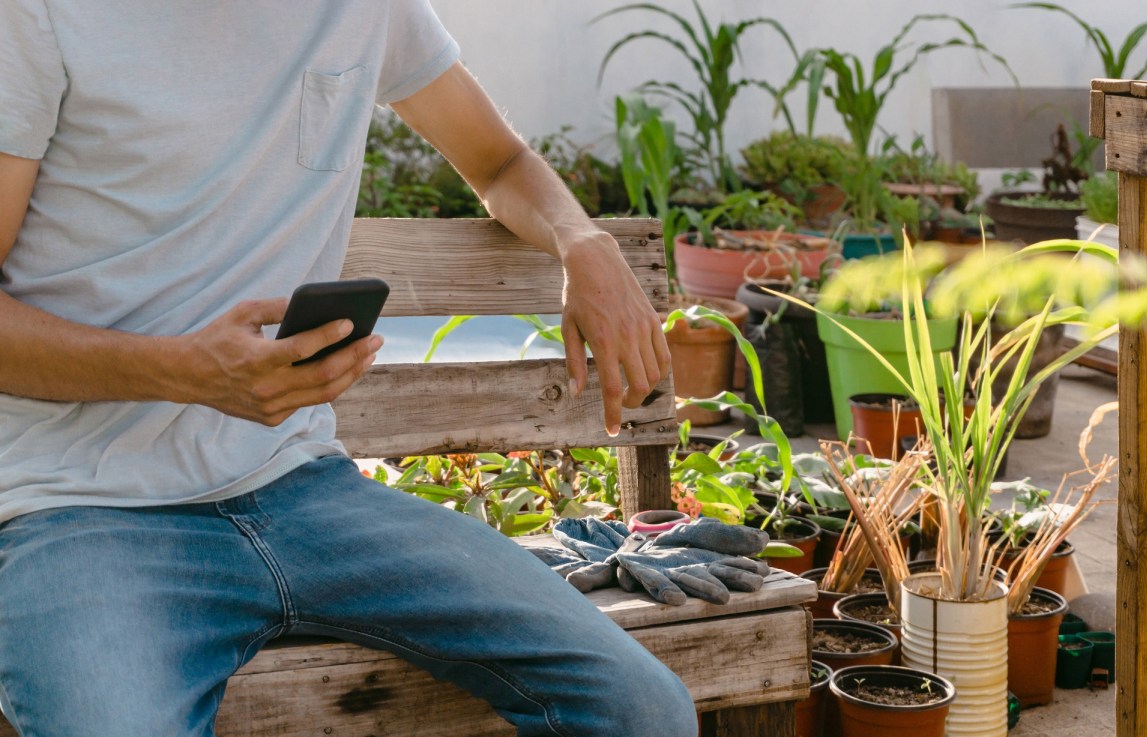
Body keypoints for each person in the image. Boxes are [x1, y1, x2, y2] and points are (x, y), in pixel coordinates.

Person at [0, 2, 697, 735]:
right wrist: (177, 372)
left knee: (642, 710)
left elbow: (498, 161)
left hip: (300, 488)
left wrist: (580, 239)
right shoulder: (42, 16)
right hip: (73, 507)